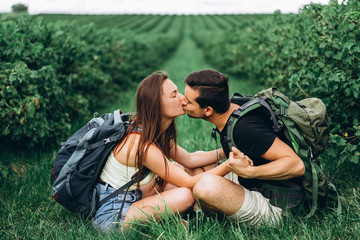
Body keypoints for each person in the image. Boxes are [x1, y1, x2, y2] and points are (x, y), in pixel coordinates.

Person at [92, 71, 229, 232]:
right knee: (185, 194)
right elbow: (188, 182)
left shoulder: (153, 132)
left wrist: (228, 150)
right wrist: (230, 166)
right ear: (157, 104)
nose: (183, 99)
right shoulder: (141, 144)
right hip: (113, 216)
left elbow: (190, 159)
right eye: (174, 95)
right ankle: (181, 220)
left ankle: (186, 217)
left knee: (183, 170)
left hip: (134, 197)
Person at [182, 69, 305, 226]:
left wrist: (250, 172)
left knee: (205, 186)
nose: (183, 101)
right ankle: (201, 211)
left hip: (278, 204)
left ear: (208, 110)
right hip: (252, 185)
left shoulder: (245, 128)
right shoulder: (232, 106)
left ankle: (204, 218)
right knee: (198, 162)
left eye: (188, 100)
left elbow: (296, 165)